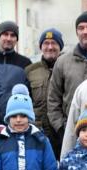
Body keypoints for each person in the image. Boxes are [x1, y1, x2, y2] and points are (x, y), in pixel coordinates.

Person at [47, 11, 87, 141]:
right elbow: (53, 99)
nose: (85, 32)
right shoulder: (63, 61)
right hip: (70, 131)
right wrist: (61, 127)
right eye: (81, 28)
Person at [26, 28, 65, 157]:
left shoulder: (68, 68)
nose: (50, 47)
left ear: (60, 46)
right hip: (37, 133)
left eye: (54, 43)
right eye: (46, 43)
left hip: (61, 134)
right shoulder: (30, 71)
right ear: (41, 47)